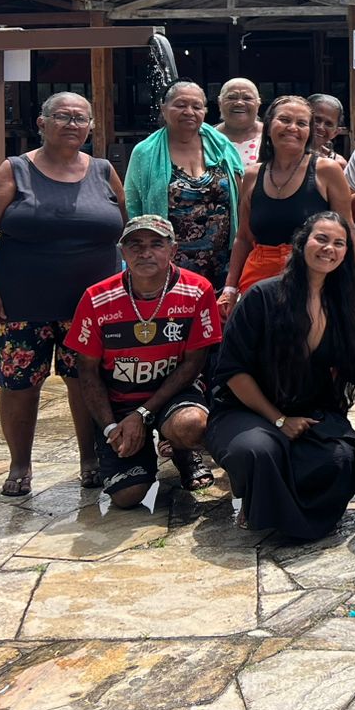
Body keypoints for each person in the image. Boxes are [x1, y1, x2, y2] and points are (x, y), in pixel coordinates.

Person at [0, 92, 126, 496]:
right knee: (20, 384)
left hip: (90, 308)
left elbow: (125, 231)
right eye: (63, 116)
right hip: (23, 305)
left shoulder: (104, 170)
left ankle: (90, 458)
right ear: (42, 123)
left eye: (81, 118)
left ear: (91, 126)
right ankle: (20, 463)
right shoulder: (16, 170)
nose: (73, 124)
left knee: (85, 380)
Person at [205, 212, 355, 538]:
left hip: (309, 407)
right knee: (258, 451)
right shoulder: (262, 296)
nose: (329, 249)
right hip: (246, 408)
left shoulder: (342, 303)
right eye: (321, 239)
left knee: (340, 459)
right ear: (301, 242)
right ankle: (260, 504)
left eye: (339, 243)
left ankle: (284, 513)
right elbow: (233, 371)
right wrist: (279, 419)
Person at [66, 215, 223, 505]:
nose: (145, 252)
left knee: (191, 425)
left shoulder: (198, 290)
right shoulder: (96, 298)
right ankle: (141, 452)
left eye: (156, 244)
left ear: (173, 251)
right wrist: (112, 427)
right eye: (135, 245)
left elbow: (194, 364)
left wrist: (143, 413)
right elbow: (86, 372)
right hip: (119, 401)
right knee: (128, 496)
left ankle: (181, 450)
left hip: (172, 395)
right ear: (122, 252)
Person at [221, 95, 353, 314]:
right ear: (269, 125)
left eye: (301, 123)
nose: (292, 128)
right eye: (284, 120)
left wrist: (350, 285)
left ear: (309, 132)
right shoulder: (253, 175)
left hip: (313, 281)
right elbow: (243, 237)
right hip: (257, 283)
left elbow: (347, 234)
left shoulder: (327, 171)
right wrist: (229, 287)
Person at [125, 80, 246, 289]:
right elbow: (133, 207)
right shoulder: (144, 152)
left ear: (205, 111)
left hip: (222, 262)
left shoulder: (222, 146)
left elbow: (241, 199)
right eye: (180, 105)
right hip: (168, 262)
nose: (189, 112)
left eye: (197, 106)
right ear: (163, 108)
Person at [214, 78, 264, 167]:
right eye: (231, 97)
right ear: (219, 103)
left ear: (258, 103)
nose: (239, 103)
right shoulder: (207, 136)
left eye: (247, 98)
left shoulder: (271, 135)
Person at [308, 94, 345, 161]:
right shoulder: (285, 154)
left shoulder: (338, 163)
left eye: (328, 124)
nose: (321, 127)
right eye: (316, 120)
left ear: (335, 132)